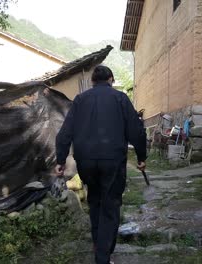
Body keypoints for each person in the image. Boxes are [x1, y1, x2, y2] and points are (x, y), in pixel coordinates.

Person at [54, 65, 147, 264]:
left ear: (93, 81)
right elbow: (136, 129)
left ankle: (98, 244)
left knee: (95, 201)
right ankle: (103, 257)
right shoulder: (120, 98)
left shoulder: (80, 100)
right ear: (111, 79)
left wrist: (60, 160)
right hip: (112, 161)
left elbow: (65, 132)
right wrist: (141, 157)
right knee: (111, 205)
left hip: (86, 162)